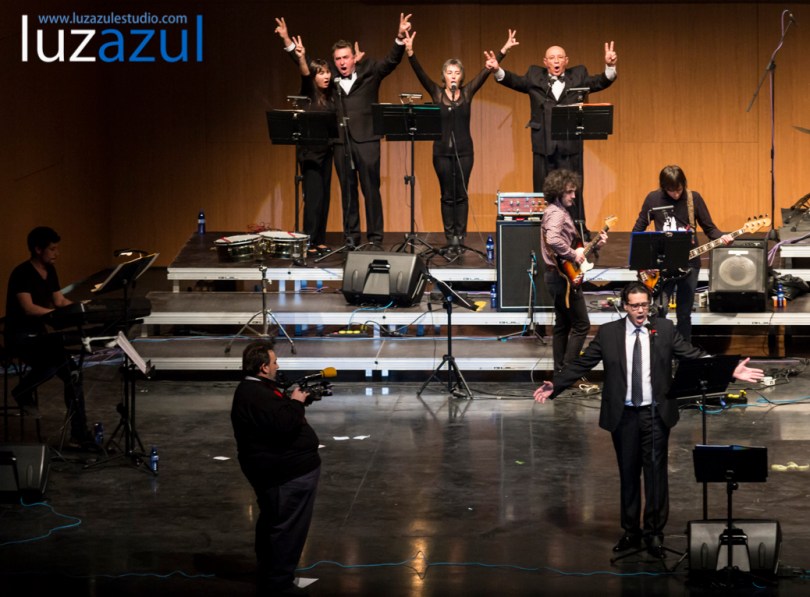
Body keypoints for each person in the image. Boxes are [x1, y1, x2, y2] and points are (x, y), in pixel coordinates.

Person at [533, 282, 764, 558]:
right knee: (629, 475)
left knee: (656, 476)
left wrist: (729, 370)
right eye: (635, 305)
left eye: (645, 304)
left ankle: (654, 533)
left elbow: (692, 355)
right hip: (624, 415)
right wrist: (555, 385)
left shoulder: (664, 330)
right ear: (625, 306)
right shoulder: (609, 334)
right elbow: (583, 363)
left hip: (655, 414)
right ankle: (631, 531)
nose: (641, 310)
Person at [283, 14, 413, 249]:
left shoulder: (370, 71)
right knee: (348, 193)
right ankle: (352, 237)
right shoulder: (329, 79)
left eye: (346, 57)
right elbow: (307, 68)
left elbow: (391, 61)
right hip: (341, 142)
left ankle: (375, 238)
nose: (342, 62)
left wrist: (399, 37)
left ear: (354, 58)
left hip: (367, 140)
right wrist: (290, 46)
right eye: (338, 59)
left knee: (371, 190)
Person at [403, 29, 518, 252]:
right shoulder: (437, 93)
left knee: (461, 195)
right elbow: (420, 74)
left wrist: (503, 51)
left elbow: (486, 72)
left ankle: (461, 237)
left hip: (465, 152)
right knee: (447, 195)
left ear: (461, 76)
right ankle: (450, 237)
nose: (453, 75)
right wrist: (410, 52)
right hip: (440, 153)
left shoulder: (467, 93)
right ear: (443, 76)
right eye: (449, 72)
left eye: (456, 72)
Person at [231, 339, 320, 596]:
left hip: (281, 473)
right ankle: (279, 583)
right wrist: (295, 403)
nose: (277, 365)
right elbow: (282, 424)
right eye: (274, 362)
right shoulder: (255, 394)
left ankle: (271, 572)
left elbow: (275, 420)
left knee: (274, 521)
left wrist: (295, 402)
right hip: (285, 475)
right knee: (287, 529)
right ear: (262, 367)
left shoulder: (256, 389)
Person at [486, 42, 617, 195]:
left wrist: (610, 66)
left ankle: (573, 220)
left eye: (560, 57)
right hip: (543, 145)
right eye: (552, 58)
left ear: (566, 61)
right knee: (542, 193)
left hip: (570, 147)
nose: (556, 61)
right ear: (545, 62)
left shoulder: (578, 75)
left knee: (571, 193)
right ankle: (544, 219)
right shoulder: (534, 75)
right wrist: (497, 70)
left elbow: (599, 82)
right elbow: (515, 81)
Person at [4, 226, 92, 446]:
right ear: (37, 249)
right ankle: (22, 390)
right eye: (52, 249)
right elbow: (29, 308)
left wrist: (80, 309)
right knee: (53, 361)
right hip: (20, 336)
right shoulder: (22, 273)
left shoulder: (50, 271)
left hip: (39, 335)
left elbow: (59, 301)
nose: (56, 253)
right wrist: (57, 314)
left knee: (72, 371)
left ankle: (79, 434)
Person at [632, 165, 734, 343]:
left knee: (684, 313)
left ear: (684, 184)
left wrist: (723, 237)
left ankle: (684, 353)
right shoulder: (653, 199)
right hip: (662, 265)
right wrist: (645, 261)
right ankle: (660, 349)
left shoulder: (693, 198)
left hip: (690, 264)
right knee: (658, 310)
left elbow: (710, 228)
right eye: (671, 191)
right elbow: (638, 230)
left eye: (679, 190)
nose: (676, 195)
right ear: (663, 187)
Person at [275, 18, 337, 257]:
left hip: (327, 151)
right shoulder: (309, 93)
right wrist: (296, 52)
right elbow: (303, 71)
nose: (326, 76)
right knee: (313, 199)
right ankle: (308, 241)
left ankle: (319, 239)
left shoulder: (331, 96)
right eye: (321, 73)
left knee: (325, 199)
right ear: (314, 76)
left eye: (327, 72)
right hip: (310, 154)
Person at [540, 169, 607, 373]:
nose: (574, 196)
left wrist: (593, 245)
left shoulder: (557, 211)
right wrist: (572, 254)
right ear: (558, 191)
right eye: (569, 192)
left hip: (556, 275)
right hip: (562, 278)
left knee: (562, 325)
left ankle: (561, 371)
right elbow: (552, 240)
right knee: (581, 325)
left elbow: (574, 246)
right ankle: (569, 372)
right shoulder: (557, 214)